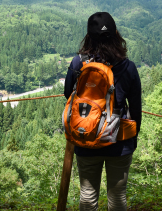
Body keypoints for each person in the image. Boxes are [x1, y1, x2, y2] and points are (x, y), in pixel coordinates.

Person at [64, 12, 142, 211]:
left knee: (88, 198)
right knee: (117, 199)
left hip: (86, 137)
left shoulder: (78, 63)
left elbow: (68, 95)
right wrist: (133, 138)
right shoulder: (128, 67)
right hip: (119, 140)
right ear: (116, 34)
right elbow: (135, 107)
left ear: (88, 36)